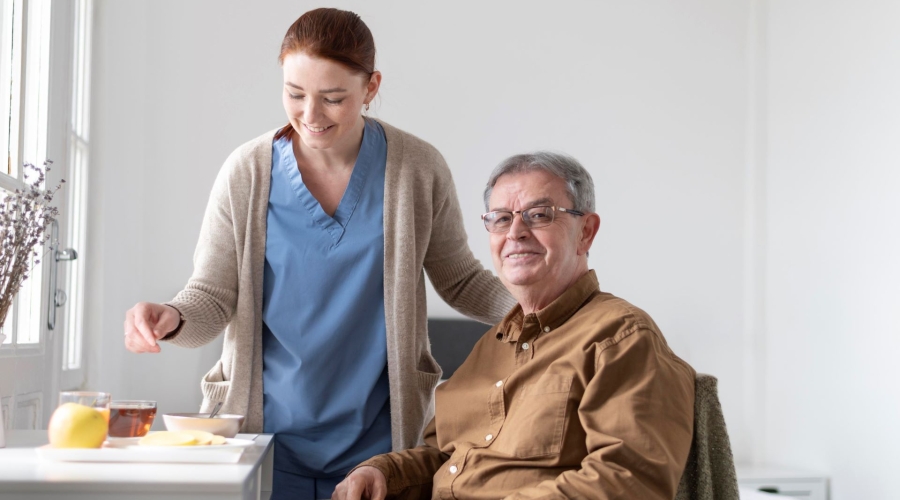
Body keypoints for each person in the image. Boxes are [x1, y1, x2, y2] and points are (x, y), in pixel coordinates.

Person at [122, 8, 514, 500]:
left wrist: (542, 313)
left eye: (333, 98)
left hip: (378, 448)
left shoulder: (417, 168)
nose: (310, 115)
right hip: (262, 442)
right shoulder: (246, 173)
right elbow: (212, 297)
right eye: (294, 94)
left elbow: (460, 280)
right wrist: (171, 317)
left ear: (371, 87)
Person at [333, 152, 696, 500]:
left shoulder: (621, 337)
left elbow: (629, 479)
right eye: (501, 218)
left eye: (539, 215)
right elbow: (447, 459)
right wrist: (382, 472)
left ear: (586, 231)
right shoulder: (491, 346)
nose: (516, 232)